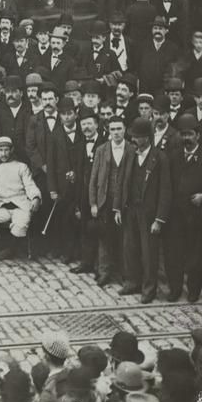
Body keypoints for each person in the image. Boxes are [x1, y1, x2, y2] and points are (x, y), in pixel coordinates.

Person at [164, 114, 202, 302]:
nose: (186, 138)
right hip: (175, 216)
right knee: (174, 253)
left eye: (189, 134)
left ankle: (194, 290)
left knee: (195, 256)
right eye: (183, 134)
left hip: (196, 217)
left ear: (197, 135)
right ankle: (175, 289)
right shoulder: (174, 157)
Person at [0, 136, 41, 274]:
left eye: (6, 150)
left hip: (20, 205)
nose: (4, 154)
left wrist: (35, 197)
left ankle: (11, 249)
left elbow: (30, 185)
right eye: (1, 150)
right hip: (2, 205)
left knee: (21, 225)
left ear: (11, 150)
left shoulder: (21, 166)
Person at [89, 117, 132, 287]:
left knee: (124, 238)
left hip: (124, 201)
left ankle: (124, 272)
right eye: (112, 129)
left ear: (125, 129)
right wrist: (93, 203)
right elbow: (93, 178)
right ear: (108, 131)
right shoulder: (101, 150)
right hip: (105, 200)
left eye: (119, 129)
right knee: (104, 237)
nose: (116, 132)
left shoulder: (131, 149)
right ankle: (104, 272)